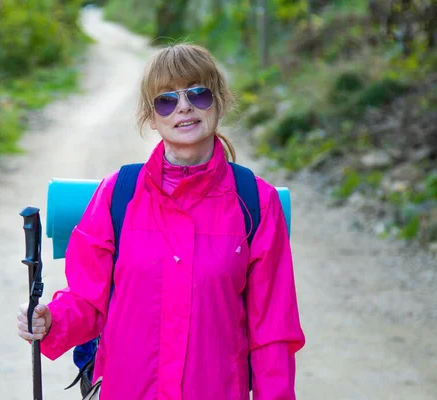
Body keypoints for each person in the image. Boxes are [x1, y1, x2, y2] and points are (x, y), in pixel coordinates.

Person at [17, 43, 306, 400]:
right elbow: (88, 301)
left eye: (198, 94)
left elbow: (272, 334)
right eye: (166, 100)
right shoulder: (117, 195)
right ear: (151, 118)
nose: (183, 106)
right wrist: (51, 319)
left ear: (219, 101)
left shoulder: (256, 203)